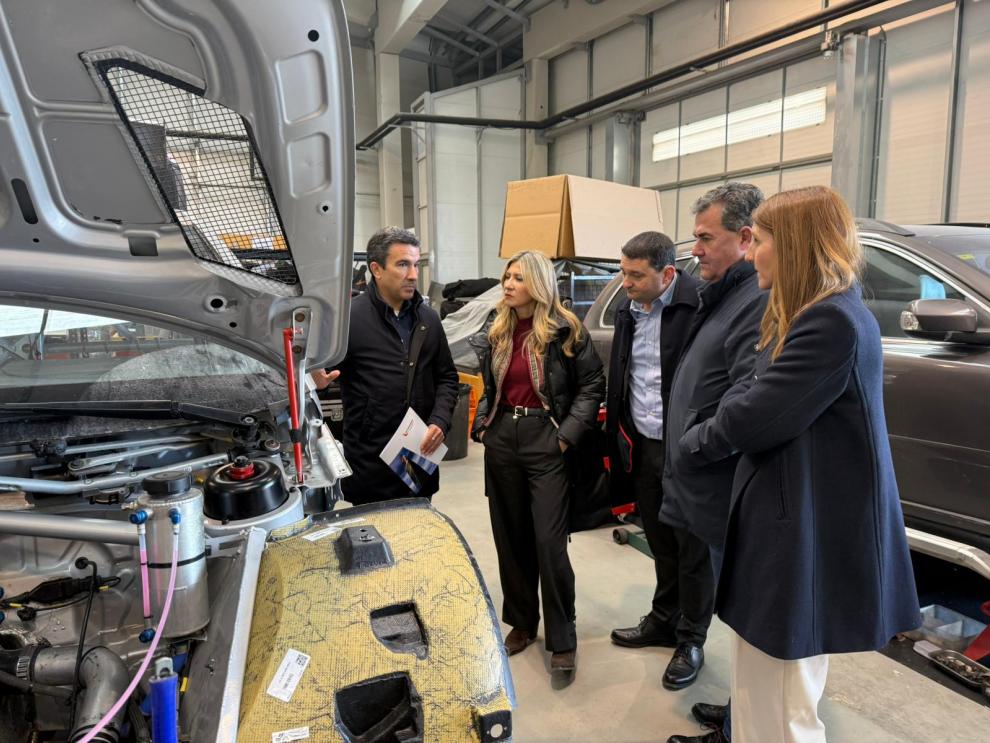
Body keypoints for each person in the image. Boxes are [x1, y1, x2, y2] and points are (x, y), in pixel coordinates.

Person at [677, 186, 921, 742]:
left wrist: (693, 443)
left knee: (781, 711)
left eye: (760, 240)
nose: (752, 252)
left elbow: (753, 415)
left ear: (794, 246)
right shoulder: (814, 315)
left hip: (797, 538)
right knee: (763, 697)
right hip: (788, 527)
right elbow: (751, 391)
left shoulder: (829, 322)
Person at [661, 183, 766, 743]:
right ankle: (739, 714)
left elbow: (746, 402)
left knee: (749, 620)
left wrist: (693, 443)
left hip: (724, 487)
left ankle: (740, 726)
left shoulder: (756, 300)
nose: (694, 249)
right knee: (741, 620)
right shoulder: (724, 294)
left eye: (705, 237)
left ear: (746, 239)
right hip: (703, 479)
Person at [471, 250, 605, 683]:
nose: (508, 285)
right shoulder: (497, 328)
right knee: (511, 538)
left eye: (518, 278)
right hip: (502, 439)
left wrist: (566, 436)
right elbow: (491, 387)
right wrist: (482, 423)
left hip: (546, 439)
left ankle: (563, 638)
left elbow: (592, 384)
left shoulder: (566, 330)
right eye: (507, 277)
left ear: (539, 284)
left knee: (550, 542)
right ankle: (523, 623)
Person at [604, 233, 707, 680]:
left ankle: (692, 639)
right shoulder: (629, 309)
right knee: (660, 539)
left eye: (635, 275)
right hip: (643, 443)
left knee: (692, 548)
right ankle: (664, 620)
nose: (625, 283)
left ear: (667, 274)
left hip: (684, 447)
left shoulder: (696, 307)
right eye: (623, 272)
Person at [314, 227, 459, 505]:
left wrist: (439, 421)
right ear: (376, 269)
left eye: (415, 264)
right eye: (403, 264)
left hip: (418, 456)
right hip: (370, 461)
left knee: (418, 526)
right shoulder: (348, 321)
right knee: (374, 530)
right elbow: (317, 373)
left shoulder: (428, 319)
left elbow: (447, 378)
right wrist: (316, 380)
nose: (413, 274)